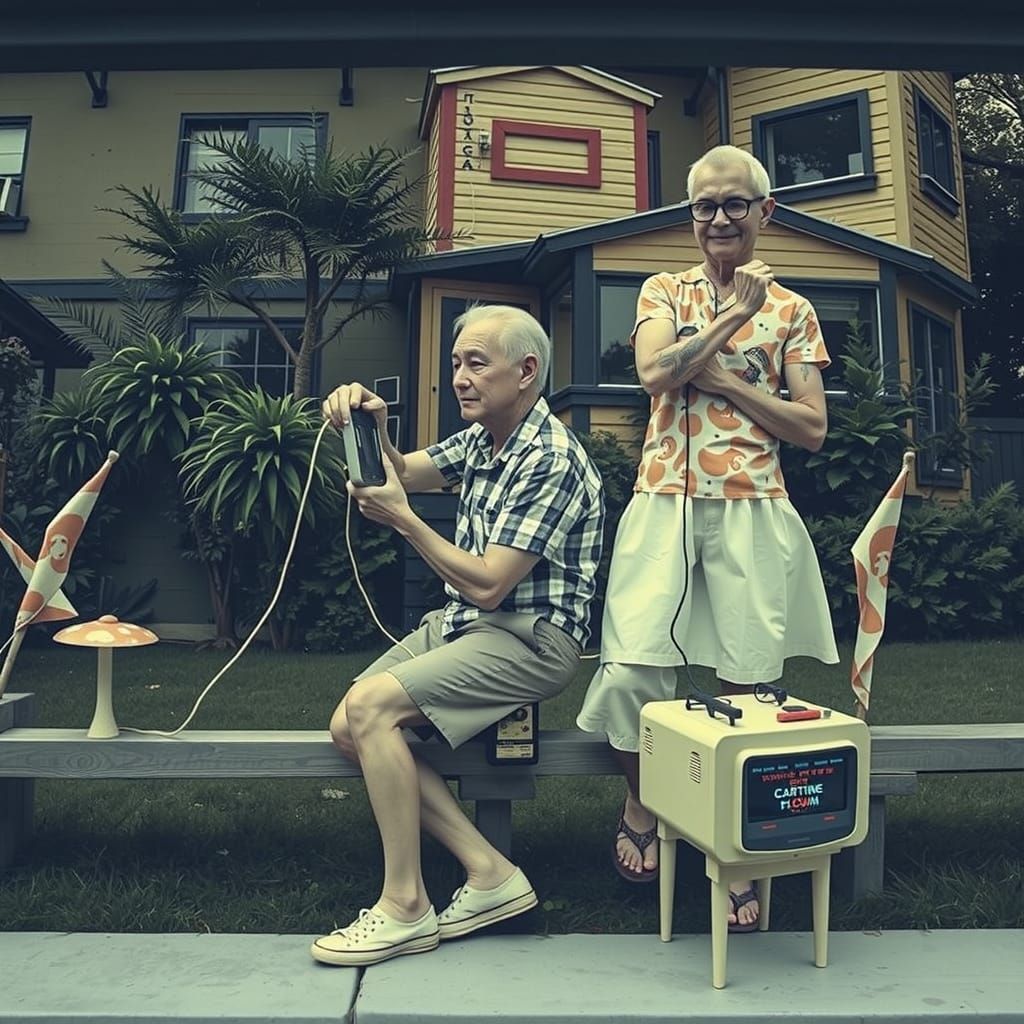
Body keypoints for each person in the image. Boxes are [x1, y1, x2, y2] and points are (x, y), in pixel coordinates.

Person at [576, 145, 839, 933]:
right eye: (704, 206)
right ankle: (644, 799)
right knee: (630, 671)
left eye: (734, 204)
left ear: (768, 212)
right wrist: (729, 320)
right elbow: (657, 376)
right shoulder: (663, 289)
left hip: (753, 507)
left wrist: (722, 378)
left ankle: (733, 854)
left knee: (748, 686)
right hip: (663, 503)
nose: (718, 218)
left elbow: (813, 426)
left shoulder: (794, 311)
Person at [313, 304, 604, 966]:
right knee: (348, 724)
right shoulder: (486, 438)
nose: (460, 378)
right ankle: (489, 872)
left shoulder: (549, 459)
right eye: (455, 364)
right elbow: (405, 473)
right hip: (467, 626)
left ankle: (404, 906)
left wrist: (407, 523)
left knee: (371, 708)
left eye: (477, 362)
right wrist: (374, 428)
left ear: (526, 372)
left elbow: (490, 584)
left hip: (530, 638)